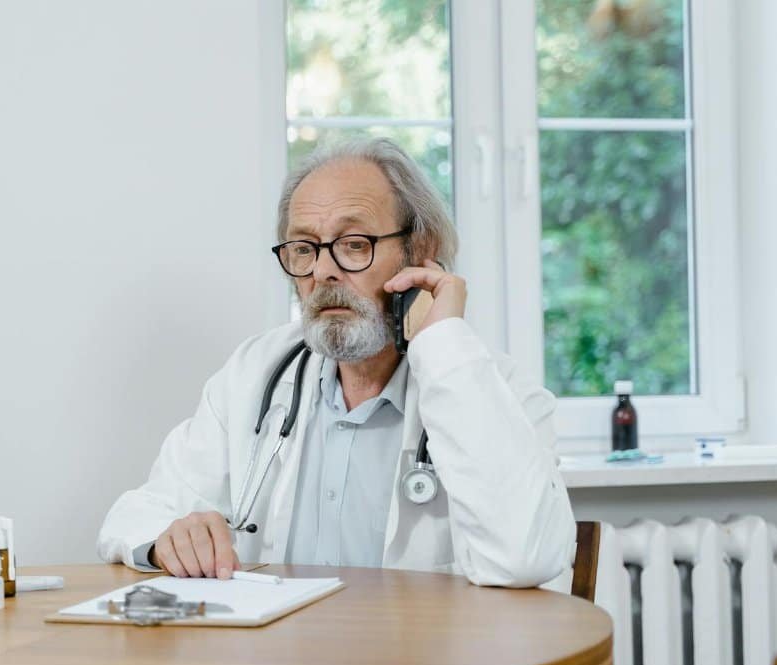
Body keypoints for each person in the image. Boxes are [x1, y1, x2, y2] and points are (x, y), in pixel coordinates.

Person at [97, 138, 575, 587]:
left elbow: (525, 557)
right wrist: (170, 539)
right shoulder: (254, 374)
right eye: (304, 249)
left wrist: (445, 342)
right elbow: (137, 514)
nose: (323, 271)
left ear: (420, 250)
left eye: (353, 244)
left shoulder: (497, 391)